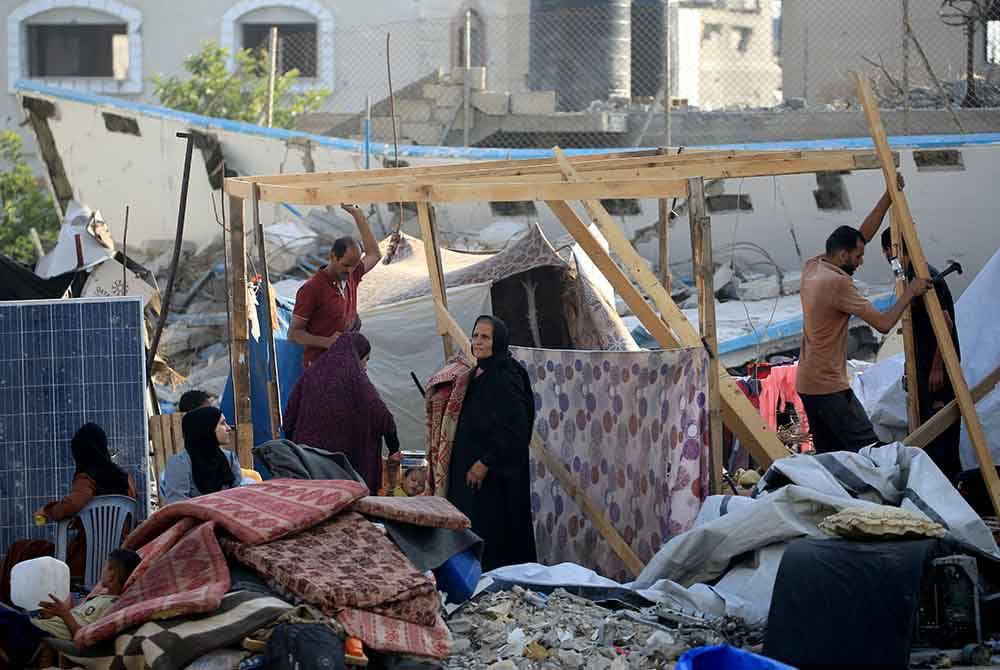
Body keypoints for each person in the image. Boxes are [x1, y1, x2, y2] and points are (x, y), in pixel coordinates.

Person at [797, 174, 933, 454]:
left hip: (807, 383)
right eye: (858, 257)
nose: (861, 261)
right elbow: (883, 324)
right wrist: (911, 291)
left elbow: (861, 236)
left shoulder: (815, 266)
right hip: (828, 387)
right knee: (870, 451)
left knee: (831, 456)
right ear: (844, 255)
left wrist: (888, 196)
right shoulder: (837, 283)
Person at [1, 424, 136, 606]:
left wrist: (47, 511)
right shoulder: (126, 479)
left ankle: (8, 606)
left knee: (21, 549)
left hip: (81, 560)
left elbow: (70, 505)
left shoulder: (87, 477)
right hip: (117, 560)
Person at [447, 315, 537, 572]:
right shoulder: (479, 371)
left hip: (495, 478)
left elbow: (516, 428)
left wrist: (486, 462)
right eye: (475, 335)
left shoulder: (506, 375)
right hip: (475, 477)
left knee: (496, 537)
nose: (478, 342)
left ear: (498, 341)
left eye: (485, 337)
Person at [881, 229, 962, 481]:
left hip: (938, 371)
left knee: (941, 439)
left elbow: (944, 323)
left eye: (887, 250)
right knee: (929, 435)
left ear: (892, 248)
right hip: (925, 367)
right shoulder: (908, 278)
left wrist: (937, 367)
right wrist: (911, 364)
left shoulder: (925, 278)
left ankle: (951, 486)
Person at [283, 333, 400, 492]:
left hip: (307, 467)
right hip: (345, 474)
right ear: (356, 356)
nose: (365, 367)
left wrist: (296, 447)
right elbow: (383, 417)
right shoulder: (356, 379)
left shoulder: (310, 374)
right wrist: (394, 449)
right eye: (365, 360)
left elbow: (289, 417)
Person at [0, 548, 141, 668]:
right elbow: (74, 617)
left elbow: (86, 637)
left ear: (112, 575)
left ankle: (29, 654)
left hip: (47, 634)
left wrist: (64, 614)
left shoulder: (113, 606)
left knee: (7, 618)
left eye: (105, 566)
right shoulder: (100, 598)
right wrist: (53, 614)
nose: (101, 571)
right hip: (39, 625)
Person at [288, 204, 382, 368]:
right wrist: (327, 342)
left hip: (345, 362)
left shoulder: (352, 274)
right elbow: (294, 334)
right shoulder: (312, 289)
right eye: (346, 265)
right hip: (320, 367)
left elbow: (374, 254)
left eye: (355, 265)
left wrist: (358, 215)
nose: (351, 270)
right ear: (333, 257)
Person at [161, 406, 242, 504]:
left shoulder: (229, 459)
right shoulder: (180, 463)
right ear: (206, 428)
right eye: (222, 423)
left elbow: (239, 497)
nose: (229, 428)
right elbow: (177, 505)